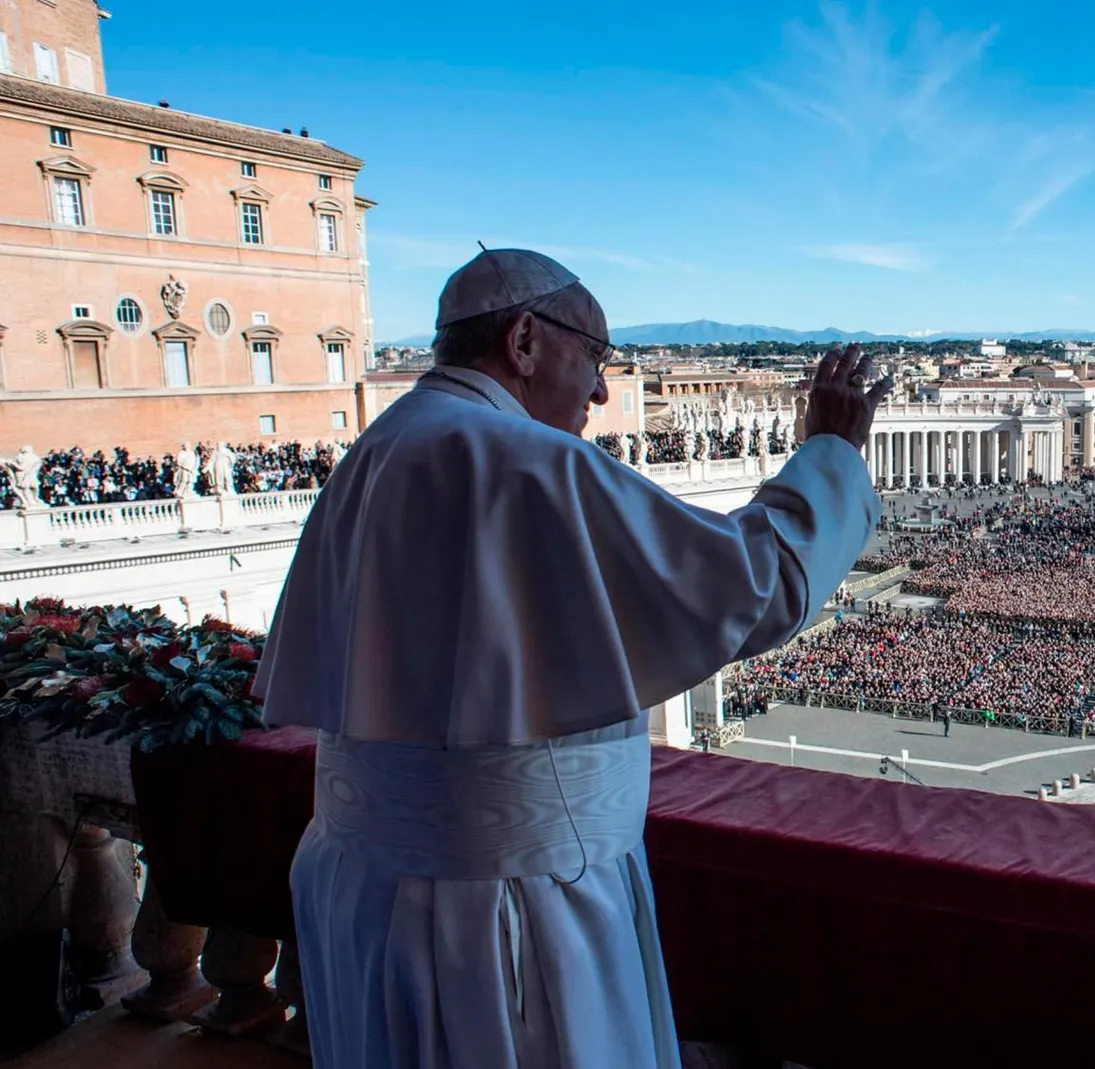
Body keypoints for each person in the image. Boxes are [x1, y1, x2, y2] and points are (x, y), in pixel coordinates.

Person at [256, 248, 892, 1069]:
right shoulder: (527, 460)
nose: (599, 390)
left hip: (363, 893)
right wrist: (831, 456)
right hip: (512, 912)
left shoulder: (372, 455)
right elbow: (750, 584)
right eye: (594, 358)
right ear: (524, 341)